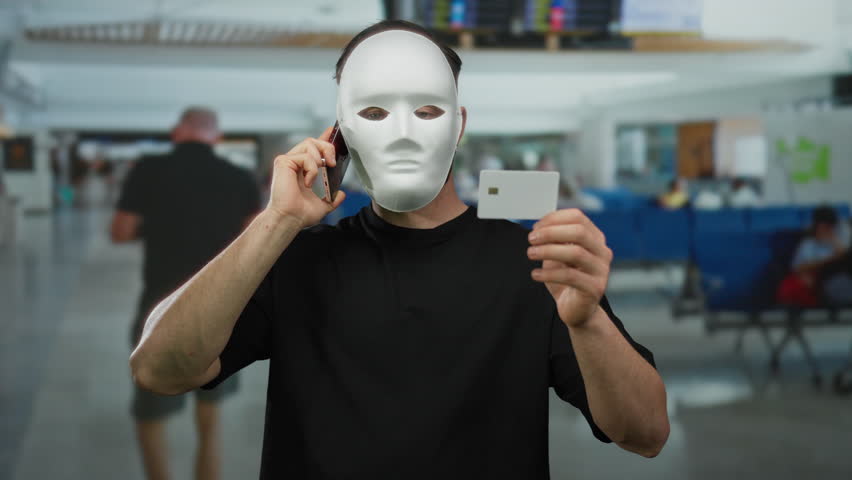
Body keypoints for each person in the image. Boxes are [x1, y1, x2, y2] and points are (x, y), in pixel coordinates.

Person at [129, 21, 669, 479]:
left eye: (429, 111)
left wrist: (588, 320)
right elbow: (161, 370)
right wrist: (277, 221)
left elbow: (645, 434)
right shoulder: (297, 261)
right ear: (339, 135)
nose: (406, 135)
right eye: (376, 113)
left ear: (458, 126)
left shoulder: (533, 264)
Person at [112, 107, 261, 480]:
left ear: (178, 130)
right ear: (216, 136)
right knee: (211, 414)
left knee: (151, 415)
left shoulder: (147, 170)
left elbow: (121, 231)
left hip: (158, 307)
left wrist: (160, 227)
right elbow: (252, 242)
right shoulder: (239, 176)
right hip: (222, 310)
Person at [790, 205, 852, 306]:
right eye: (824, 226)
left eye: (831, 226)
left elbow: (845, 256)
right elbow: (798, 268)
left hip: (843, 274)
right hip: (825, 278)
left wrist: (832, 240)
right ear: (817, 225)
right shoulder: (808, 244)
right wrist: (829, 260)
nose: (828, 229)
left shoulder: (839, 237)